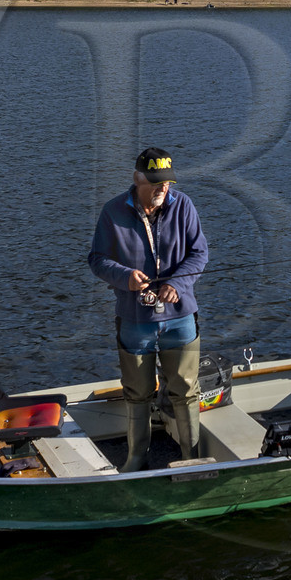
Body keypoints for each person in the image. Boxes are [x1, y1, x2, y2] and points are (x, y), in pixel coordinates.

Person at [88, 147, 209, 471]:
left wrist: (178, 285)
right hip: (135, 318)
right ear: (136, 179)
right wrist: (124, 277)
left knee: (185, 391)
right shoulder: (113, 211)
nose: (162, 188)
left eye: (166, 182)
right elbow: (97, 259)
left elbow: (199, 253)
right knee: (138, 391)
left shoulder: (183, 205)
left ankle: (191, 458)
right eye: (155, 182)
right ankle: (136, 458)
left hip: (180, 316)